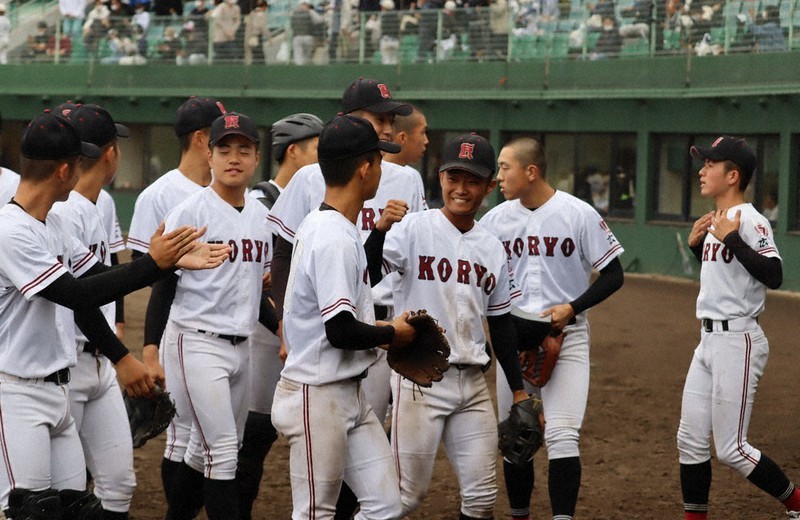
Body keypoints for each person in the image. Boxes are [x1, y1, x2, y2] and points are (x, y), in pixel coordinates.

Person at [0, 109, 227, 519]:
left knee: (78, 509)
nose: (84, 169)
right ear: (65, 170)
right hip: (16, 395)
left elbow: (99, 277)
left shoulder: (54, 223)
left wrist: (167, 263)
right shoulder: (10, 230)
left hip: (58, 391)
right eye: (79, 161)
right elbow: (75, 294)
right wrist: (153, 265)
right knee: (28, 513)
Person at [362, 133, 527, 519]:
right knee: (405, 497)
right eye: (454, 177)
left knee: (482, 498)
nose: (461, 189)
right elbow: (367, 275)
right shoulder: (412, 228)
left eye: (473, 180)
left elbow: (501, 324)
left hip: (472, 384)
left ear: (489, 186)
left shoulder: (492, 247)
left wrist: (518, 390)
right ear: (440, 178)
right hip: (419, 380)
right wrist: (380, 230)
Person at [270, 113, 414, 520]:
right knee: (315, 513)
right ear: (365, 168)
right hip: (317, 395)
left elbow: (353, 291)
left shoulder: (330, 223)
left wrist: (379, 231)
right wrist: (392, 333)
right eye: (379, 161)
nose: (382, 169)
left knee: (385, 505)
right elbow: (340, 330)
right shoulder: (331, 235)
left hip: (347, 392)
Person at [480, 136, 625, 520]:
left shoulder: (578, 214)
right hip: (513, 340)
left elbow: (614, 274)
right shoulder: (494, 221)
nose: (498, 177)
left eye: (504, 167)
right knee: (517, 436)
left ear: (531, 171)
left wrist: (574, 307)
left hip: (566, 336)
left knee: (562, 436)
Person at [156, 112, 276, 520]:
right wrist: (150, 347)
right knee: (222, 454)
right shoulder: (189, 212)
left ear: (257, 157)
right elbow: (164, 284)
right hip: (197, 341)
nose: (234, 158)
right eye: (224, 149)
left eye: (244, 149)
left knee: (202, 450)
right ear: (208, 155)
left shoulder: (262, 218)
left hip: (242, 346)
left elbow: (255, 292)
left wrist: (281, 329)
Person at [678, 136, 800, 520]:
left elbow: (774, 274)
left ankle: (797, 504)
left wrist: (731, 237)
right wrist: (698, 247)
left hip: (738, 340)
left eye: (710, 164)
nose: (702, 170)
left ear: (732, 176)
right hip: (707, 340)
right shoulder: (716, 220)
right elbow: (728, 276)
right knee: (689, 441)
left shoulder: (750, 220)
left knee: (731, 448)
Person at [125, 95, 227, 516]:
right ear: (202, 138)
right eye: (220, 132)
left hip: (227, 325)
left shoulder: (228, 190)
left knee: (202, 440)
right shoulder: (160, 194)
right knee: (183, 435)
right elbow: (143, 268)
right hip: (178, 328)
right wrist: (151, 348)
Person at [49, 104, 137, 520]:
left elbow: (108, 273)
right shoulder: (63, 210)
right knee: (63, 494)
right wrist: (124, 357)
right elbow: (79, 297)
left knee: (119, 486)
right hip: (67, 364)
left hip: (99, 361)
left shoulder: (99, 203)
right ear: (110, 153)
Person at [236, 112, 323, 520]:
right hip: (264, 333)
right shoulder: (259, 201)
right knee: (253, 434)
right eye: (318, 149)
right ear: (293, 151)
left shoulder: (315, 200)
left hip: (298, 332)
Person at [290, 0, 324, 65]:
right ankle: (303, 69)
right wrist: (310, 11)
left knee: (298, 57)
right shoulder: (310, 12)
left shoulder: (293, 12)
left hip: (297, 37)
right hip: (308, 37)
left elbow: (290, 25)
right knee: (306, 58)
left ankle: (299, 69)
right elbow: (320, 20)